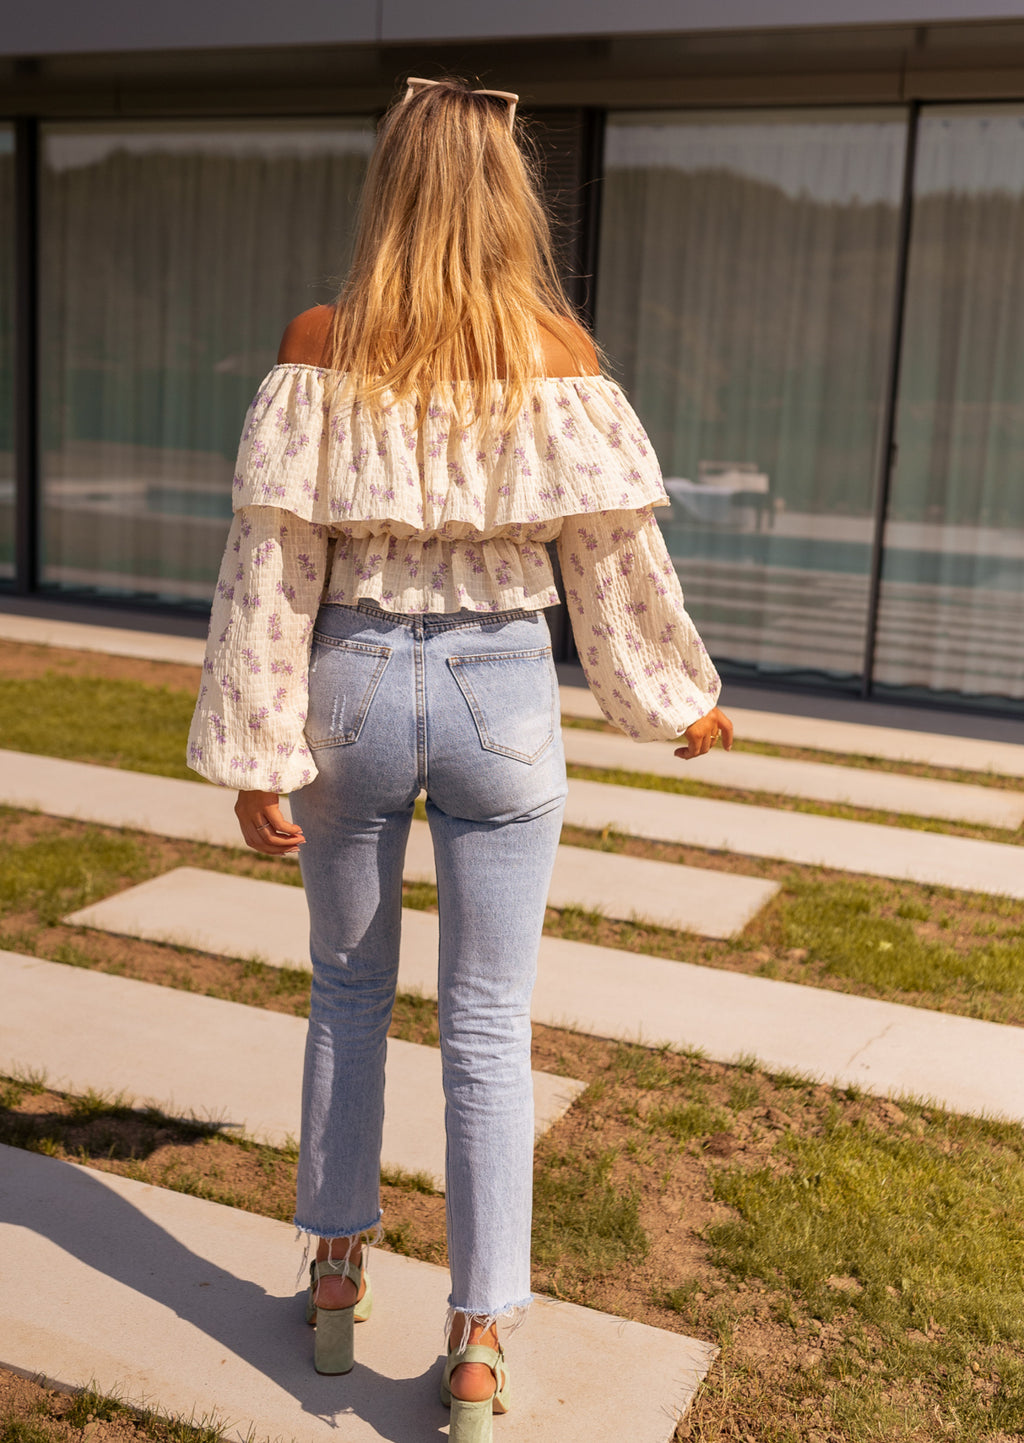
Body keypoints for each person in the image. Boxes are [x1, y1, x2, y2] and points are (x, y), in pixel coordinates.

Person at [187, 75, 732, 1442]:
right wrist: (675, 699)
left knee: (347, 996)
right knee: (490, 1028)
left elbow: (273, 569)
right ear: (509, 199)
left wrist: (260, 750)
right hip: (503, 692)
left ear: (389, 189)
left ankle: (332, 1275)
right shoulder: (557, 353)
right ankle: (478, 1347)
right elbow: (613, 560)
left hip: (351, 691)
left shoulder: (319, 341)